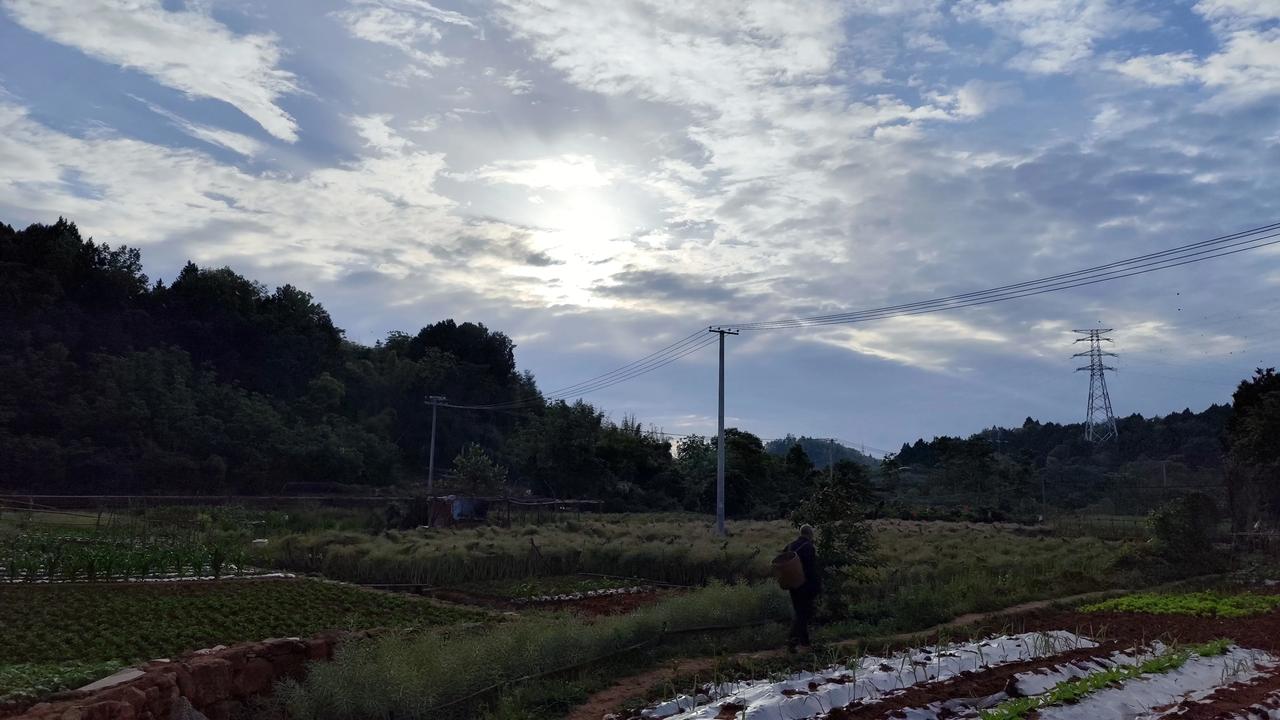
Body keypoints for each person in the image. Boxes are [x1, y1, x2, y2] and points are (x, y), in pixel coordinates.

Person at [786, 524, 821, 651]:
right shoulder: (808, 547)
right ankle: (792, 640)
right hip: (805, 585)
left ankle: (804, 642)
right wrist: (816, 586)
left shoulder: (790, 545)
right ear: (810, 534)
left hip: (792, 585)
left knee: (800, 612)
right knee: (804, 613)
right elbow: (811, 569)